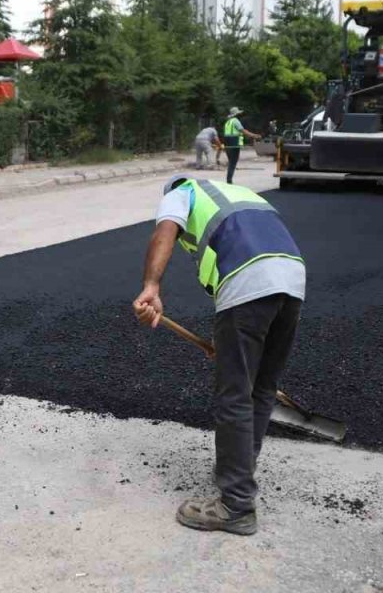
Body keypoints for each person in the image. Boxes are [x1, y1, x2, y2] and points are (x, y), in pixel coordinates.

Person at [133, 175, 306, 536]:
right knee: (259, 390)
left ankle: (236, 505)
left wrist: (151, 286)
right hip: (291, 280)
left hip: (248, 281)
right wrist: (224, 340)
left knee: (235, 395)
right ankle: (240, 472)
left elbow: (165, 230)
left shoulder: (182, 192)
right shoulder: (240, 194)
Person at [222, 107, 261, 184]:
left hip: (227, 144)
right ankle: (229, 181)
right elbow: (243, 131)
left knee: (231, 162)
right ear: (237, 114)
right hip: (234, 144)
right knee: (232, 163)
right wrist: (254, 135)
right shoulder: (236, 121)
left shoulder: (228, 122)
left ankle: (229, 179)